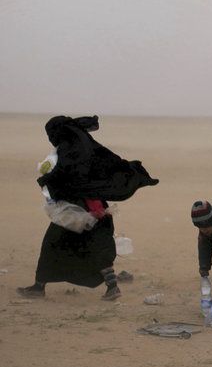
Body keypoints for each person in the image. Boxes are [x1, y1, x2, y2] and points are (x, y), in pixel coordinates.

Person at [17, 115, 159, 301]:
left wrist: (46, 179)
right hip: (96, 205)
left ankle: (39, 287)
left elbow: (67, 174)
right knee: (96, 246)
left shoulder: (70, 147)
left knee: (53, 242)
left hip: (77, 208)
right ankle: (112, 287)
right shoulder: (86, 145)